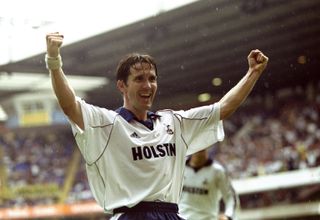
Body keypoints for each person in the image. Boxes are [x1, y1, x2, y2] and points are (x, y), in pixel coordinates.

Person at [45, 32, 268, 220]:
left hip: (171, 214)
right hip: (131, 215)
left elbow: (223, 108)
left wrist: (253, 73)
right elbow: (69, 105)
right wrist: (54, 61)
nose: (148, 85)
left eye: (152, 78)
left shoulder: (174, 122)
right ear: (122, 85)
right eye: (139, 79)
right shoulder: (107, 123)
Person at [179, 149, 239, 220]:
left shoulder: (217, 171)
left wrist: (228, 216)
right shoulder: (180, 166)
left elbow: (230, 197)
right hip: (181, 217)